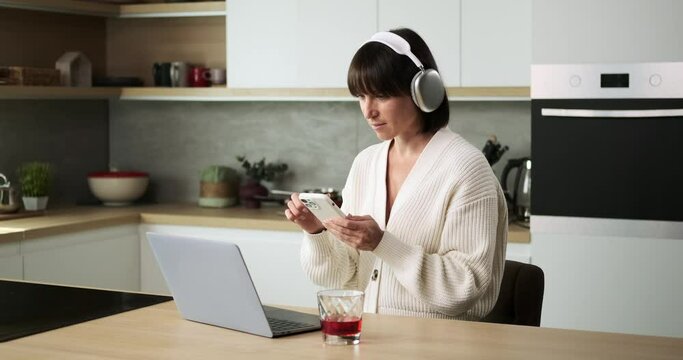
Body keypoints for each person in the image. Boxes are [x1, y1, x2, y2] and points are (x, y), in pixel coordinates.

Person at [285, 28, 507, 320]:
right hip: (371, 339)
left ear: (423, 89)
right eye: (361, 96)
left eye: (380, 95)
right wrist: (317, 231)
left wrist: (381, 243)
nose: (368, 111)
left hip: (441, 345)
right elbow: (342, 277)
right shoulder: (365, 163)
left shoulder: (466, 168)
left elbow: (462, 288)